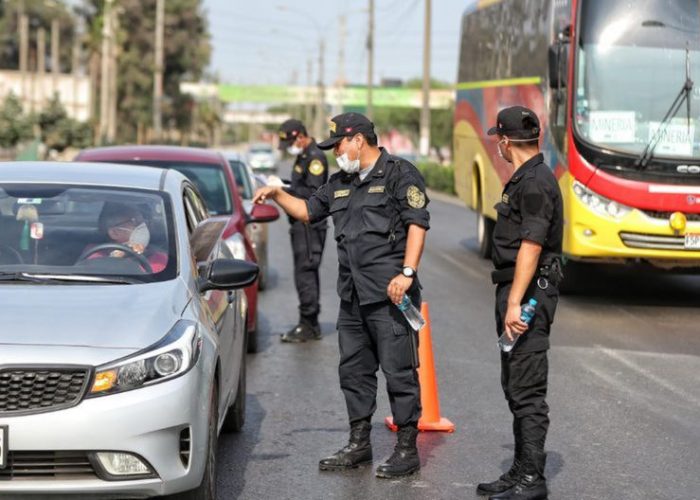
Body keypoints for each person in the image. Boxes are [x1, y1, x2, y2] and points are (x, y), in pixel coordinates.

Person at [253, 112, 430, 478]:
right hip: (352, 296)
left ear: (358, 140)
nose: (335, 152)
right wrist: (277, 194)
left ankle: (405, 449)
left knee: (399, 373)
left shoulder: (399, 173)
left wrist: (408, 273)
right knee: (354, 372)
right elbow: (307, 212)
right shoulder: (339, 182)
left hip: (390, 294)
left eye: (338, 145)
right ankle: (359, 443)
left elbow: (417, 222)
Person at [478, 106, 563, 500]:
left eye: (498, 139)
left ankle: (533, 479)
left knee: (526, 386)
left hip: (527, 294)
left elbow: (531, 245)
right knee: (514, 382)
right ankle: (520, 470)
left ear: (505, 141)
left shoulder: (535, 184)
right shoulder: (526, 179)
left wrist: (514, 303)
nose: (498, 145)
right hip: (517, 289)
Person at [277, 118, 329, 342]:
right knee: (303, 273)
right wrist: (284, 184)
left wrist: (284, 189)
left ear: (300, 136)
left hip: (309, 226)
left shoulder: (315, 157)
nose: (289, 147)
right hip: (300, 225)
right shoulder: (303, 155)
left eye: (291, 142)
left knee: (306, 273)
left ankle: (308, 324)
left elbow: (313, 192)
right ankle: (310, 322)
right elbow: (301, 185)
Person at [87, 202, 168, 273]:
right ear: (114, 232)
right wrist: (115, 259)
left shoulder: (160, 258)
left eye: (142, 220)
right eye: (134, 221)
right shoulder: (95, 252)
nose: (142, 226)